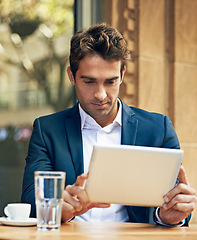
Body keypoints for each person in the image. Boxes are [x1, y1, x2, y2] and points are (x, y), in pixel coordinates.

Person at [21, 23, 196, 226]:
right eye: (89, 82)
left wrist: (167, 215)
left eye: (110, 82)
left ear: (122, 75)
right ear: (71, 76)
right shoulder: (47, 130)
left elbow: (176, 204)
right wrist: (61, 209)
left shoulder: (158, 128)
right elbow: (30, 201)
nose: (101, 94)